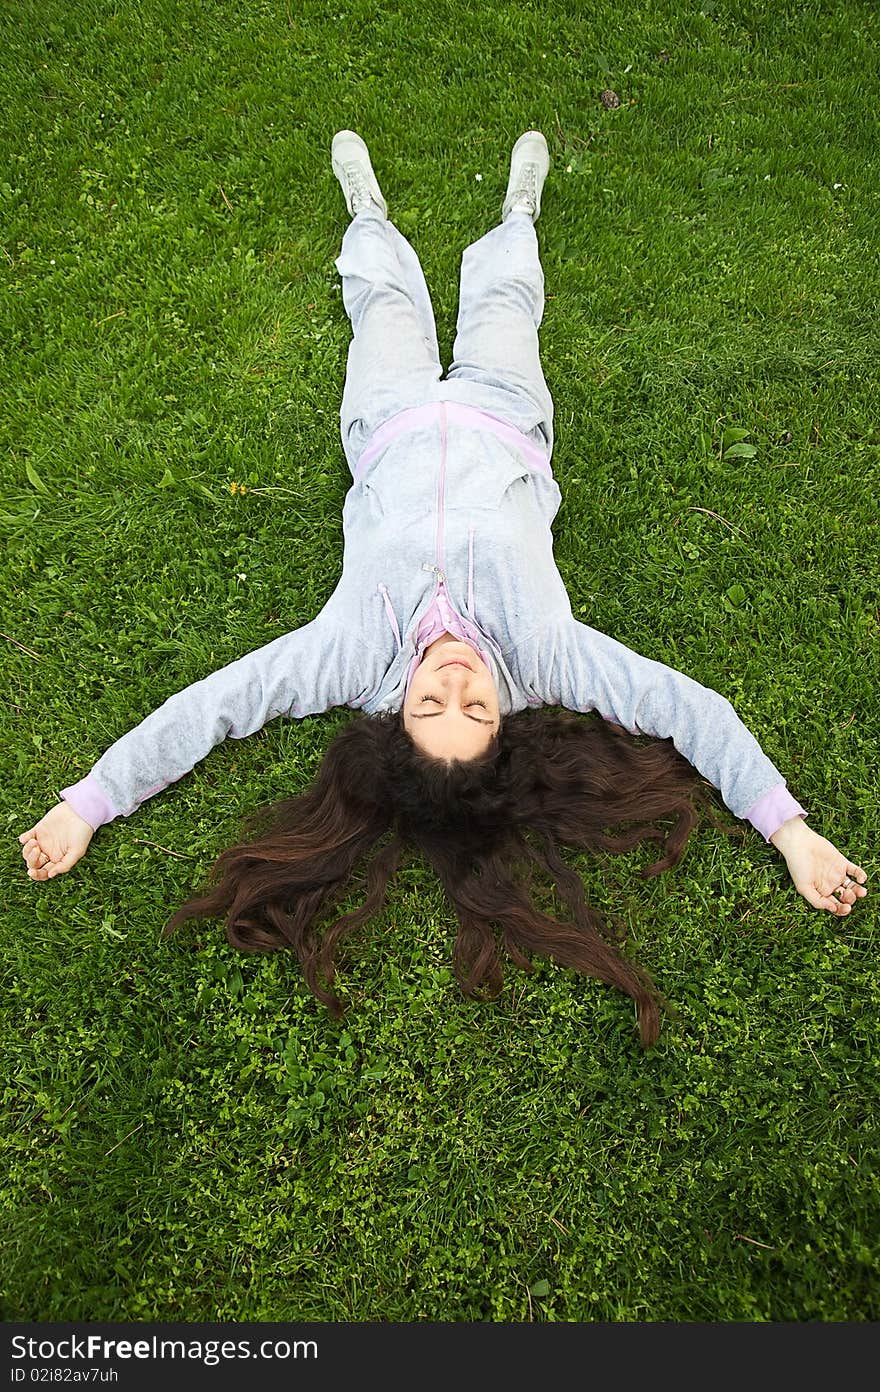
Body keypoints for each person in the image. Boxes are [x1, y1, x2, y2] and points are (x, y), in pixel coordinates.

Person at [17, 130, 868, 1047]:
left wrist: (89, 801)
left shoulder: (347, 654)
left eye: (433, 700)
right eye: (476, 704)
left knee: (384, 303)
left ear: (395, 716)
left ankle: (368, 215)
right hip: (506, 414)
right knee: (504, 299)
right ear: (509, 720)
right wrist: (789, 830)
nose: (456, 676)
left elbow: (215, 707)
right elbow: (684, 707)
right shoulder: (549, 655)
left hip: (385, 425)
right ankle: (517, 214)